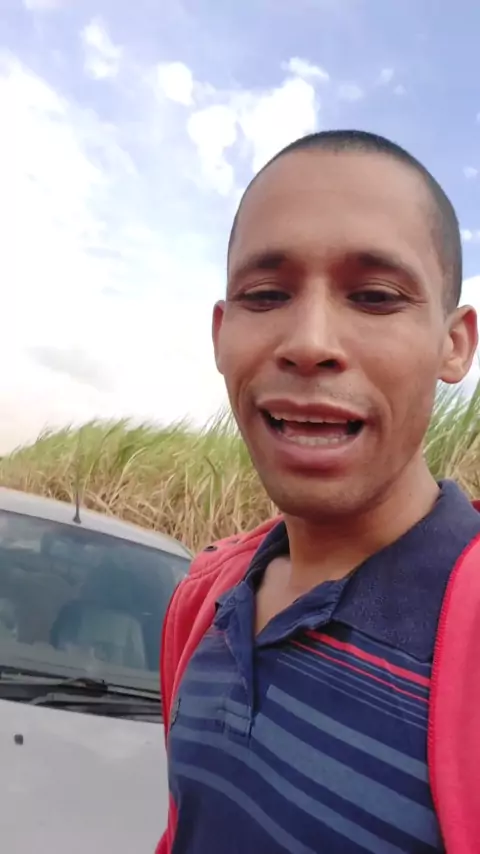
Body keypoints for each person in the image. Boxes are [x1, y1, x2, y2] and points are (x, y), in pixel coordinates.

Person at [157, 130, 480, 854]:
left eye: (375, 297)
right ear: (221, 334)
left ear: (454, 343)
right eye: (266, 295)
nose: (308, 342)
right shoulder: (203, 605)